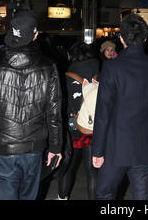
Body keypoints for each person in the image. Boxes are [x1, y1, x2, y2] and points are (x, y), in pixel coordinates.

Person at [91, 13, 148, 200]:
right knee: (143, 196)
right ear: (146, 37)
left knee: (105, 193)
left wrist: (98, 150)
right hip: (146, 144)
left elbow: (103, 112)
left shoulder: (112, 67)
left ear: (122, 38)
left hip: (115, 146)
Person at [0, 10, 63, 200]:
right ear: (35, 35)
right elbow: (54, 113)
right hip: (34, 149)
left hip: (3, 149)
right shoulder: (49, 67)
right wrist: (56, 148)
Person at [57, 42, 100, 200]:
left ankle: (62, 197)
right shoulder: (100, 73)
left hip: (73, 128)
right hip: (94, 127)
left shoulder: (67, 76)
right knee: (92, 171)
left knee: (68, 167)